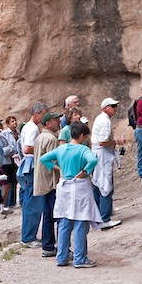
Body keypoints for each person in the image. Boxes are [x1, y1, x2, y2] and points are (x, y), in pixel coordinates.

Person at [39, 121, 101, 268]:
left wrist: (56, 168)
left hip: (64, 187)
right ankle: (80, 258)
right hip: (79, 187)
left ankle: (62, 257)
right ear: (81, 136)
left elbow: (43, 159)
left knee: (64, 222)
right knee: (80, 222)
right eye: (85, 136)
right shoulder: (83, 149)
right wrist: (85, 171)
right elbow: (93, 160)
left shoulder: (61, 149)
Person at [91, 98, 126, 229]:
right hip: (102, 155)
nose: (115, 108)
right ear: (106, 107)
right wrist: (116, 142)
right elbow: (103, 141)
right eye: (113, 106)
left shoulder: (101, 119)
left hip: (98, 154)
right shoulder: (105, 121)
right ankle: (104, 218)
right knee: (105, 184)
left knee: (97, 183)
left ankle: (98, 214)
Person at [18, 102, 48, 247]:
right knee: (33, 202)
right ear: (36, 113)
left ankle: (30, 235)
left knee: (32, 202)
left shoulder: (29, 127)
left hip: (28, 165)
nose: (43, 118)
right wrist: (43, 149)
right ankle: (28, 237)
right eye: (42, 114)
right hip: (31, 165)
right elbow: (27, 148)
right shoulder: (32, 128)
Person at [34, 110, 62, 257]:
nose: (58, 122)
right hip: (51, 181)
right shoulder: (51, 139)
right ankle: (57, 247)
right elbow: (54, 160)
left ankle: (47, 245)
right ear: (47, 123)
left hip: (42, 181)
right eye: (55, 120)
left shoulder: (40, 137)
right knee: (56, 214)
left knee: (47, 214)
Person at [0, 116, 19, 212]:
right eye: (12, 121)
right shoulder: (4, 134)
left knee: (14, 181)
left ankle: (12, 202)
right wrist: (12, 149)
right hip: (7, 160)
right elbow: (2, 149)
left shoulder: (18, 133)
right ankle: (5, 203)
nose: (14, 122)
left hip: (16, 159)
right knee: (7, 182)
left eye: (15, 120)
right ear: (8, 124)